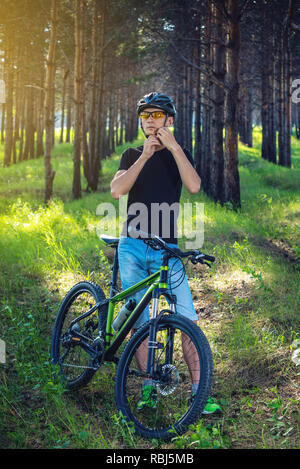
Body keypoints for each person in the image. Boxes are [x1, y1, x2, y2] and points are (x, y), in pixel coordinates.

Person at [110, 92, 221, 414]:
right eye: (145, 115)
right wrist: (144, 156)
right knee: (141, 321)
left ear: (169, 120)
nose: (150, 120)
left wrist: (172, 147)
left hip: (166, 250)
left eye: (157, 115)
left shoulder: (179, 154)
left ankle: (200, 394)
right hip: (132, 244)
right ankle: (148, 389)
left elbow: (194, 186)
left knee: (187, 318)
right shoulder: (131, 154)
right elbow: (117, 191)